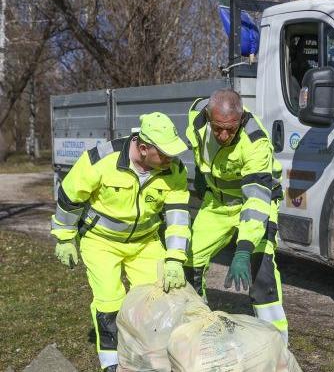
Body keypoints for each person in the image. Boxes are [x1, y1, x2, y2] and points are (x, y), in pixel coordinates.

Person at [50, 112, 191, 371]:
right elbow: (70, 199)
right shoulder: (101, 160)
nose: (171, 159)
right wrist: (64, 237)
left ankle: (150, 355)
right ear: (144, 148)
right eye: (165, 154)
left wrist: (174, 258)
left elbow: (178, 217)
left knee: (156, 300)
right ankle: (111, 362)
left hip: (145, 242)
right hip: (100, 241)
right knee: (110, 301)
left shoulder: (174, 170)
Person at [183, 88, 288, 343]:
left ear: (241, 120)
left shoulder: (256, 143)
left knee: (261, 269)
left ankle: (276, 343)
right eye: (218, 128)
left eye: (231, 129)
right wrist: (200, 172)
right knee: (189, 261)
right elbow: (197, 145)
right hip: (217, 203)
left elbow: (255, 201)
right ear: (209, 117)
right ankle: (197, 327)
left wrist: (243, 249)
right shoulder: (197, 116)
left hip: (256, 203)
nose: (224, 135)